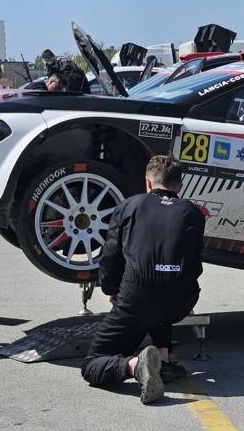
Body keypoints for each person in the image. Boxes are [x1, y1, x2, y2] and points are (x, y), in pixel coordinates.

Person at [81, 155, 205, 404]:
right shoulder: (193, 212)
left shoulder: (129, 206)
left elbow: (110, 258)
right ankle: (164, 359)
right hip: (179, 301)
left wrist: (113, 292)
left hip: (137, 300)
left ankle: (136, 365)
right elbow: (194, 265)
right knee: (163, 292)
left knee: (91, 365)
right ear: (180, 186)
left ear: (148, 182)